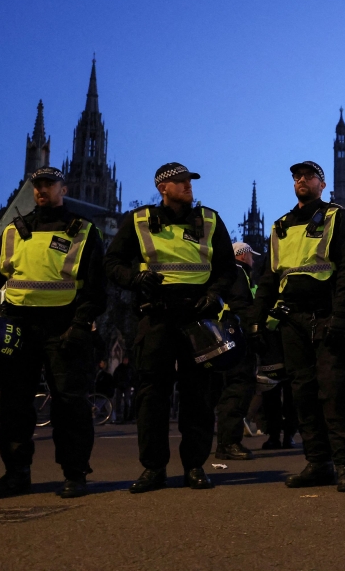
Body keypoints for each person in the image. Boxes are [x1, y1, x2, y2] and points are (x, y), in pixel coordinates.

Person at [0, 166, 106, 499]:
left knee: (70, 404)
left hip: (63, 326)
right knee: (13, 404)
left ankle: (75, 473)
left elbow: (97, 289)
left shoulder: (82, 230)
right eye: (36, 185)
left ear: (63, 189)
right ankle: (16, 474)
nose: (41, 190)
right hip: (18, 328)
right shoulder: (15, 230)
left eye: (48, 185)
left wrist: (81, 323)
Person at [105, 162, 236, 493]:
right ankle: (153, 468)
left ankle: (194, 466)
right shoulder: (139, 220)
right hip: (157, 316)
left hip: (197, 317)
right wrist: (134, 278)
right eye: (180, 181)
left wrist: (213, 293)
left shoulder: (209, 220)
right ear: (163, 187)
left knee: (199, 396)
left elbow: (225, 267)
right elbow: (112, 263)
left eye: (189, 180)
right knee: (152, 396)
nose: (188, 185)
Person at [249, 160, 345, 492]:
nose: (302, 180)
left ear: (323, 183)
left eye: (309, 176)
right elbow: (269, 279)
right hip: (292, 321)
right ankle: (318, 463)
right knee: (303, 395)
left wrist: (342, 315)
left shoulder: (337, 218)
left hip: (327, 316)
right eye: (297, 177)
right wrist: (257, 321)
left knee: (336, 393)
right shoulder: (281, 227)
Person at [213, 242, 259, 461]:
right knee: (239, 387)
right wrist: (254, 329)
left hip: (226, 335)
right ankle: (229, 443)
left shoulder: (230, 273)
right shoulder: (239, 273)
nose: (254, 259)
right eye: (251, 255)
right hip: (237, 336)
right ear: (242, 256)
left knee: (231, 389)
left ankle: (226, 440)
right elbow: (241, 305)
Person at [112, 356, 135, 423]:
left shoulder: (130, 368)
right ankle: (119, 416)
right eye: (124, 360)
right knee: (118, 401)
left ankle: (126, 416)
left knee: (127, 401)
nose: (125, 361)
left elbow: (133, 377)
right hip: (120, 386)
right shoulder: (119, 368)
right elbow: (115, 376)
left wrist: (131, 384)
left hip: (127, 386)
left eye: (126, 359)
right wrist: (117, 384)